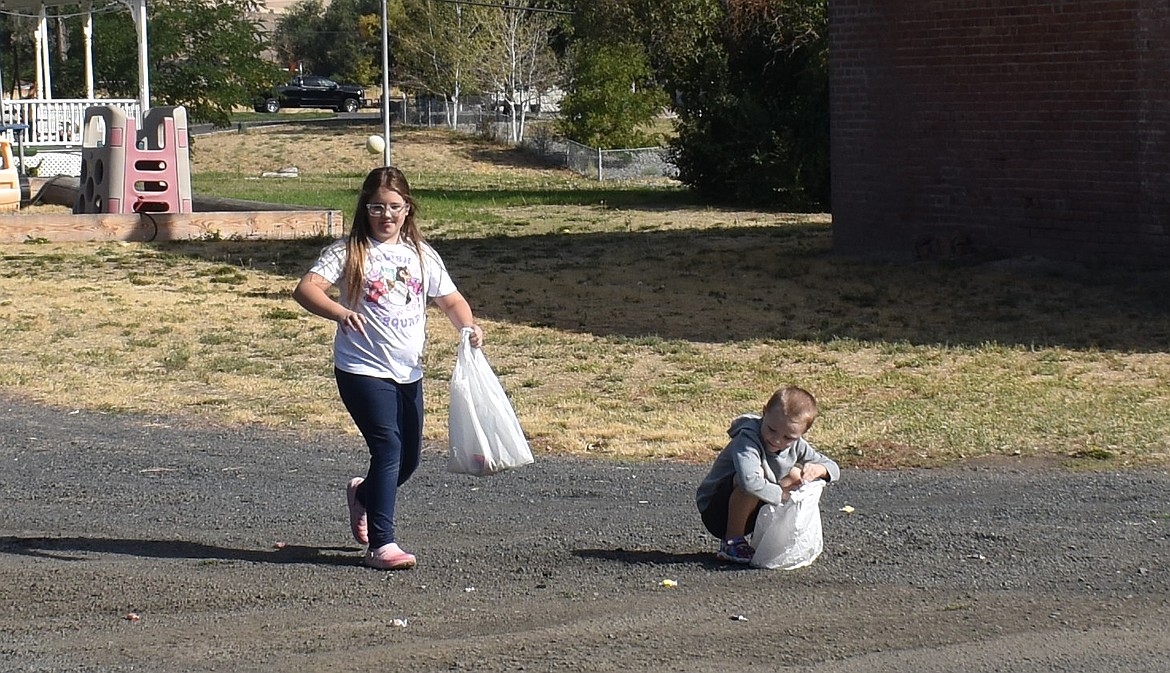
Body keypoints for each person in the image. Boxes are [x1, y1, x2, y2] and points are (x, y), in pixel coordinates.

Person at [293, 166, 484, 571]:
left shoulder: (421, 254)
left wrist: (468, 328)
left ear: (408, 208)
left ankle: (364, 496)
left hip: (408, 370)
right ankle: (383, 544)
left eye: (395, 207)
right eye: (377, 206)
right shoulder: (348, 250)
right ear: (364, 208)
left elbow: (451, 301)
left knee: (409, 458)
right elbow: (306, 289)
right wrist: (340, 313)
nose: (386, 215)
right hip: (360, 367)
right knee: (388, 448)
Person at [695, 385, 840, 564]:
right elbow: (749, 482)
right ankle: (732, 542)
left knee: (797, 475)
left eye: (788, 437)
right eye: (772, 429)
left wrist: (819, 469)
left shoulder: (797, 445)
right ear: (764, 413)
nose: (777, 440)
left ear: (801, 434)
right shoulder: (747, 439)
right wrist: (783, 495)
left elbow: (833, 467)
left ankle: (774, 537)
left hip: (751, 508)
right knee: (757, 475)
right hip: (716, 510)